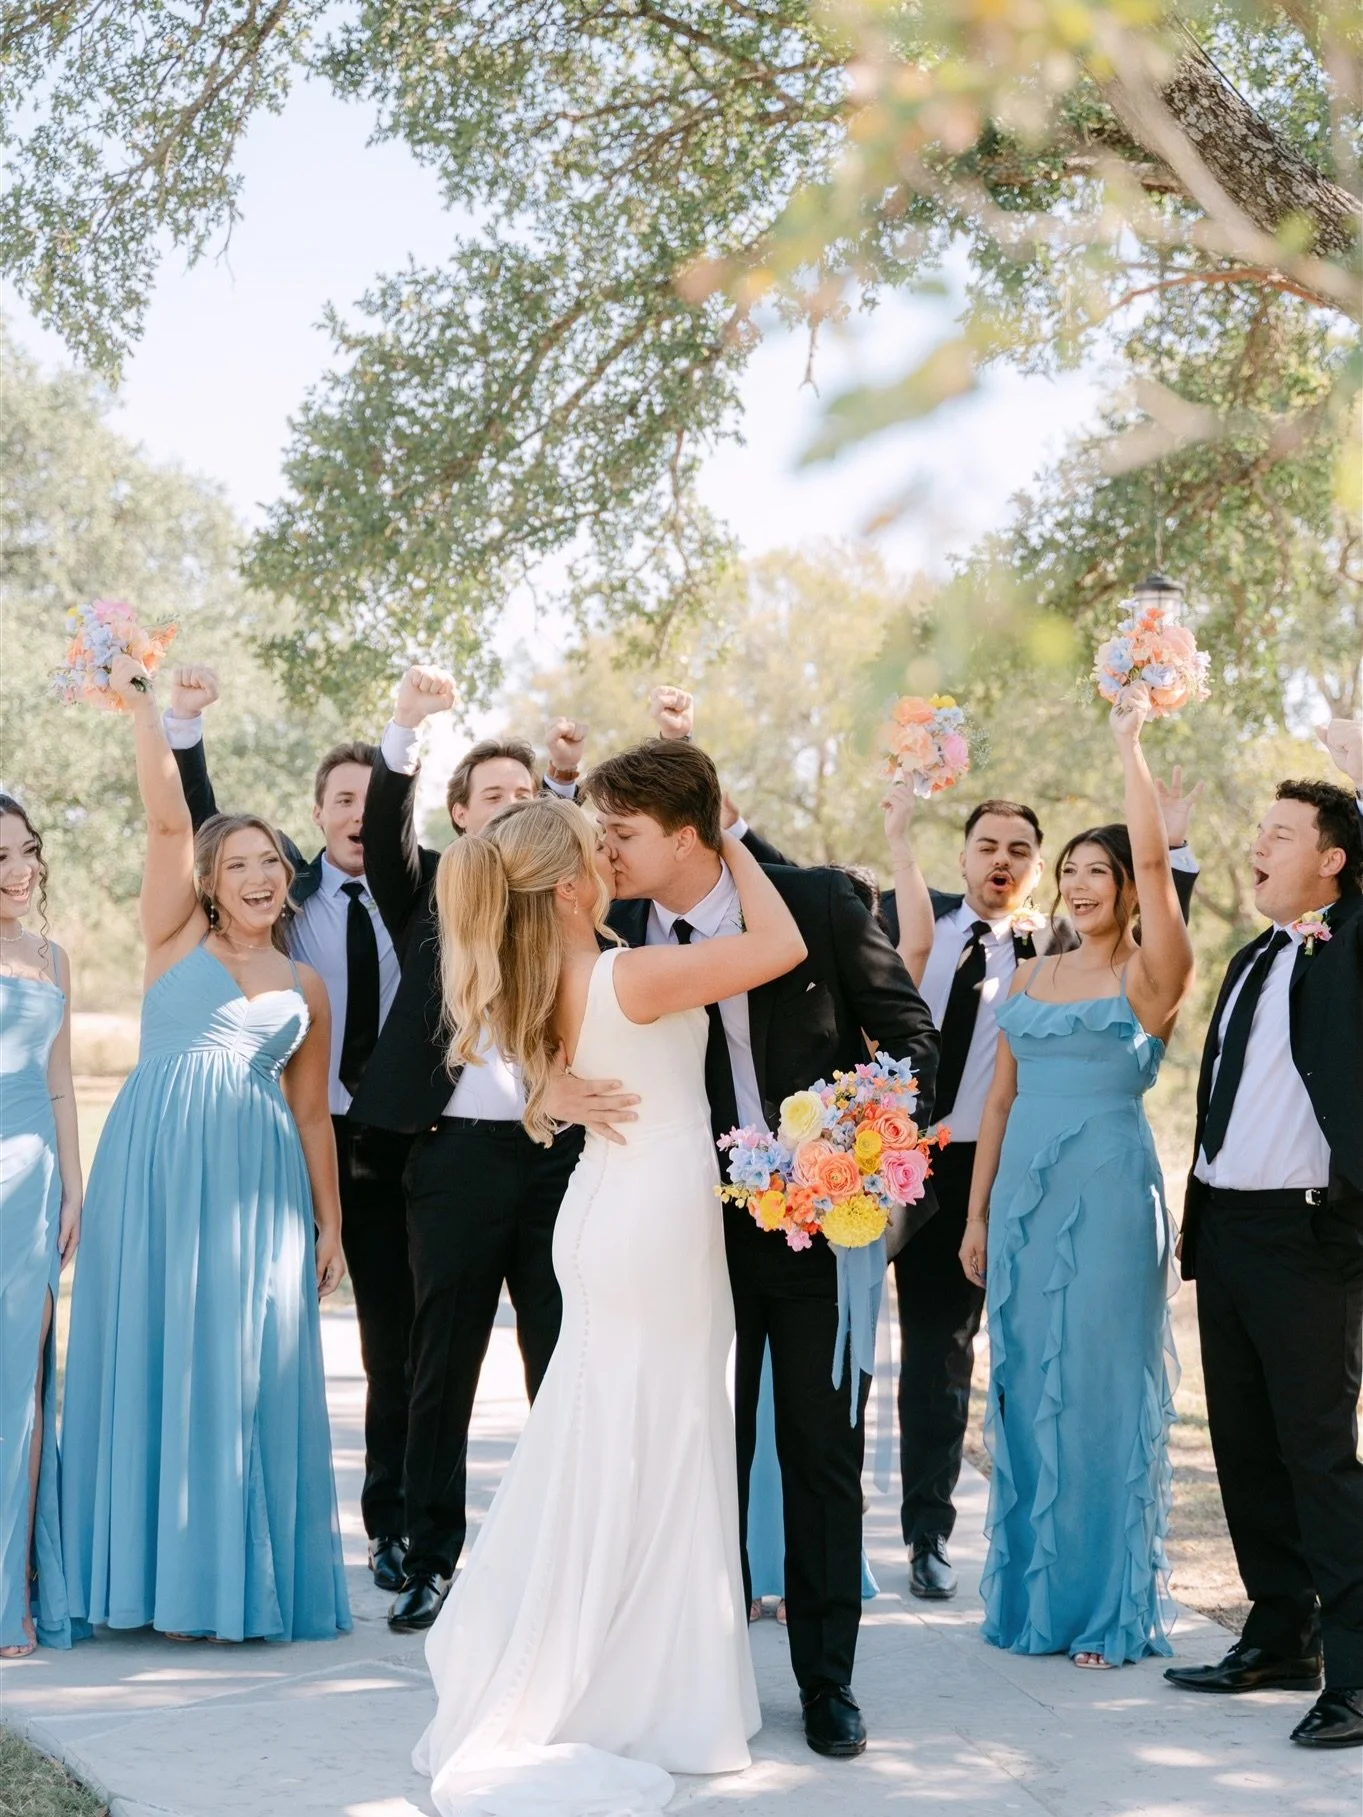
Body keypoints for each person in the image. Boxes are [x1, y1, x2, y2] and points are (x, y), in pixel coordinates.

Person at [415, 796, 805, 1815]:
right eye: (602, 851)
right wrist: (722, 834)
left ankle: (615, 1660)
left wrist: (549, 1094)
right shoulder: (631, 971)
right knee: (655, 1442)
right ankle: (641, 1685)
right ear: (572, 882)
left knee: (607, 1439)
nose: (615, 862)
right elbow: (779, 941)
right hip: (648, 1224)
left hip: (609, 1211)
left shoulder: (543, 975)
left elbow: (546, 1087)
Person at [590, 739, 939, 1759]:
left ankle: (826, 1679)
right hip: (676, 1228)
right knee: (696, 1448)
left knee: (818, 1453)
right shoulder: (611, 928)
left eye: (622, 832)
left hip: (809, 1229)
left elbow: (911, 1043)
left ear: (688, 835)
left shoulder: (820, 902)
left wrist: (845, 1145)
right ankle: (695, 1669)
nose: (604, 848)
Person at [60, 652, 351, 1643]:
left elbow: (313, 1113)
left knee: (239, 1365)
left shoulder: (306, 986)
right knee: (150, 1351)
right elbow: (167, 819)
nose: (263, 876)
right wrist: (147, 711)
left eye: (273, 861)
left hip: (257, 1185)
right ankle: (145, 1578)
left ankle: (227, 1580)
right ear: (210, 882)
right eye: (241, 864)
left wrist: (331, 1221)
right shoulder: (169, 939)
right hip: (152, 1170)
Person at [353, 667, 645, 1633]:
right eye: (496, 799)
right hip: (455, 1158)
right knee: (443, 1361)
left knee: (561, 1351)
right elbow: (390, 837)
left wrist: (565, 787)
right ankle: (431, 1555)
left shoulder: (577, 911)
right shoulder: (434, 894)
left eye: (530, 799)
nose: (514, 809)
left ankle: (563, 1554)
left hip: (560, 1157)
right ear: (463, 815)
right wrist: (405, 726)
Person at [880, 774, 1200, 1599]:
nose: (1005, 860)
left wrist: (1165, 836)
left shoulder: (1063, 949)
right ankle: (926, 1535)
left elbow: (1160, 916)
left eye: (1023, 850)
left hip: (1073, 1173)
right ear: (964, 854)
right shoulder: (922, 926)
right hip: (940, 1166)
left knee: (1077, 1371)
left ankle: (1067, 1576)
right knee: (944, 1359)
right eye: (989, 845)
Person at [166, 667, 414, 1596]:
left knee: (394, 1346)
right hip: (284, 1142)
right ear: (318, 813)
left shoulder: (420, 893)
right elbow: (208, 832)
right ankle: (232, 1524)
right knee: (254, 1336)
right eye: (341, 799)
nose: (357, 811)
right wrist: (182, 723)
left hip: (392, 1148)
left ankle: (389, 1526)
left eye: (371, 798)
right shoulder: (280, 893)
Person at [961, 688, 1194, 1668]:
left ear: (1132, 887)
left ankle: (1104, 1608)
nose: (1080, 880)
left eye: (1099, 868)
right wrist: (976, 1218)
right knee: (1028, 1388)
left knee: (1098, 1391)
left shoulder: (1150, 973)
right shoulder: (1024, 976)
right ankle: (1033, 1604)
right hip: (1021, 1208)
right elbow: (999, 1107)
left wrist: (1127, 746)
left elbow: (1152, 860)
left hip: (1108, 1200)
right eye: (1071, 869)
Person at [1165, 719, 1363, 1750]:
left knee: (1319, 1453)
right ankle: (1280, 1633)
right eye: (1258, 828)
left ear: (1331, 857)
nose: (1260, 842)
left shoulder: (1352, 942)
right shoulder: (1251, 955)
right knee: (1243, 1445)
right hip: (1229, 1231)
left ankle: (1358, 1672)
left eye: (1279, 831)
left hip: (1310, 1238)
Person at [0, 795, 81, 1655]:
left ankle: (9, 1591)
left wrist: (75, 1189)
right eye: (0, 857)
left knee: (19, 1392)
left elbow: (60, 1084)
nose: (20, 869)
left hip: (31, 1189)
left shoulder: (53, 957)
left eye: (28, 849)